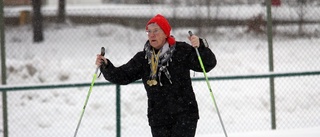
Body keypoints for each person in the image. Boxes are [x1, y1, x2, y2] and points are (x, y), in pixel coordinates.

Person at [95, 14, 217, 137]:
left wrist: (201, 46)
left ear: (165, 33)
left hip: (184, 115)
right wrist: (106, 66)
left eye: (156, 31)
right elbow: (121, 76)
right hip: (159, 118)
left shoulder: (181, 50)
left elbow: (208, 64)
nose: (151, 35)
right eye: (149, 31)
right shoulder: (143, 58)